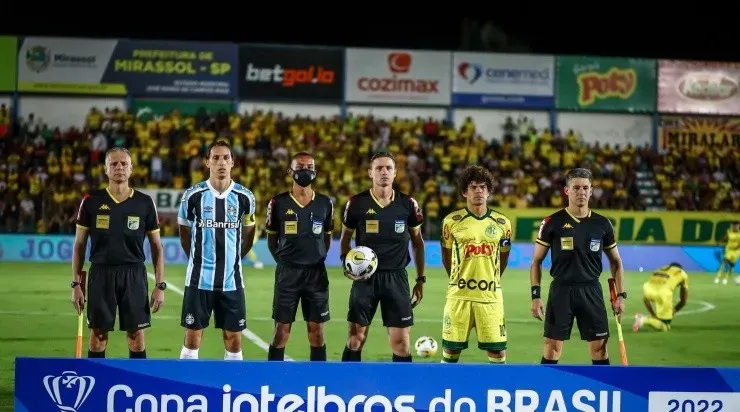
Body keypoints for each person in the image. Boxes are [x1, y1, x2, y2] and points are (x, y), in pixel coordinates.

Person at [71, 147, 165, 359]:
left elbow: (157, 247)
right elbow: (79, 245)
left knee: (136, 336)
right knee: (98, 336)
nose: (119, 167)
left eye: (124, 164)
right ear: (106, 169)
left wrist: (160, 285)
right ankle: (95, 387)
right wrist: (76, 284)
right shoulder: (91, 201)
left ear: (131, 169)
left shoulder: (144, 202)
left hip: (134, 275)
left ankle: (138, 389)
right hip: (101, 274)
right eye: (113, 163)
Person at [529, 167, 626, 365]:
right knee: (551, 347)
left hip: (591, 289)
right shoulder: (551, 222)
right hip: (561, 290)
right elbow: (536, 261)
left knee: (600, 347)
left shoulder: (602, 224)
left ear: (591, 191)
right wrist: (536, 296)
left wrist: (621, 295)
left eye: (585, 188)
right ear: (567, 191)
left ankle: (603, 392)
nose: (581, 192)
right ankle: (545, 391)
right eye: (576, 188)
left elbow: (616, 261)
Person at [340, 152, 426, 362]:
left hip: (396, 279)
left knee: (402, 344)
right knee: (355, 338)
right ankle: (346, 388)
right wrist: (347, 265)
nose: (384, 172)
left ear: (395, 173)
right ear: (370, 172)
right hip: (365, 279)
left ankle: (402, 391)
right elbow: (344, 240)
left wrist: (420, 279)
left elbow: (418, 243)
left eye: (388, 168)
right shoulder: (356, 203)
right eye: (379, 168)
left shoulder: (408, 204)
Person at [177, 140, 257, 361]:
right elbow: (184, 233)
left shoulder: (245, 197)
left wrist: (234, 260)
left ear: (232, 162)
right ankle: (186, 386)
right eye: (215, 158)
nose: (221, 162)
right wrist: (196, 259)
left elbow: (249, 235)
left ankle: (231, 389)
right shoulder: (193, 195)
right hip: (198, 280)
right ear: (207, 162)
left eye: (225, 158)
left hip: (232, 281)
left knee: (234, 338)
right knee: (193, 337)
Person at [265, 152, 334, 361]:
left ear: (315, 172)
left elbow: (327, 239)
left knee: (317, 332)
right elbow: (272, 241)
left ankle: (318, 383)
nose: (305, 170)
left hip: (316, 274)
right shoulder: (277, 203)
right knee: (281, 332)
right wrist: (286, 262)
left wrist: (317, 257)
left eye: (310, 167)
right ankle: (273, 381)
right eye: (300, 166)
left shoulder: (325, 203)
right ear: (290, 171)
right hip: (288, 274)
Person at [440, 165, 512, 364]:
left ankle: (496, 393)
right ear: (465, 191)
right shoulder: (451, 221)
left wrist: (493, 278)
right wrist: (457, 279)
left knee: (497, 353)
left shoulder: (502, 223)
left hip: (490, 297)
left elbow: (504, 256)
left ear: (489, 191)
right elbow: (446, 256)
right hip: (459, 296)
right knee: (451, 352)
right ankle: (446, 393)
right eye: (473, 187)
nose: (479, 191)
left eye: (483, 187)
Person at [633, 262, 688, 332]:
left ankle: (645, 319)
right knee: (665, 326)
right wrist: (673, 311)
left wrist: (653, 315)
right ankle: (642, 319)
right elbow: (683, 300)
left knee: (661, 320)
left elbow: (645, 299)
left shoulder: (660, 270)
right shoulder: (682, 273)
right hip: (663, 294)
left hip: (647, 288)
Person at [714, 220, 739, 285]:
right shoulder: (729, 231)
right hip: (729, 249)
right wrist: (719, 242)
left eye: (736, 226)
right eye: (733, 226)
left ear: (739, 226)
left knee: (731, 265)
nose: (735, 227)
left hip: (737, 251)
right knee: (724, 261)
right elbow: (725, 237)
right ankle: (718, 277)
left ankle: (725, 278)